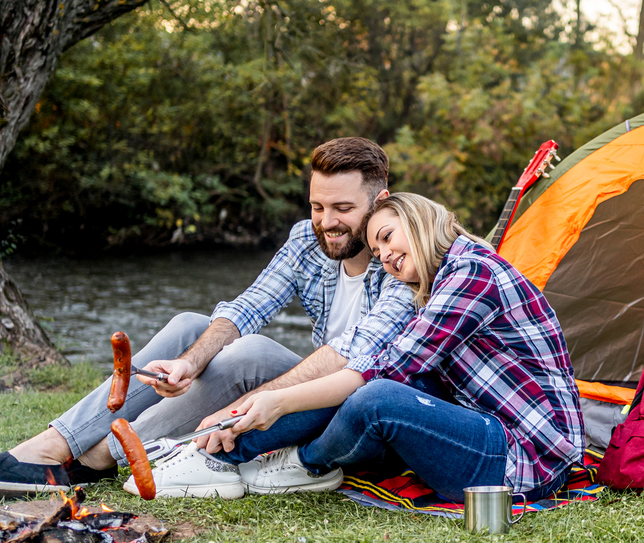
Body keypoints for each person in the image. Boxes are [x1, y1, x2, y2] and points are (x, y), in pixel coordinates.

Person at [0, 137, 414, 500]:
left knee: (253, 353)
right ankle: (51, 446)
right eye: (318, 205)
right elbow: (250, 305)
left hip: (361, 405)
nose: (327, 221)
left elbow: (353, 356)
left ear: (381, 201)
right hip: (319, 383)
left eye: (343, 208)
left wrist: (244, 405)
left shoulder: (402, 257)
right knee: (190, 325)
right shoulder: (308, 240)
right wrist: (191, 359)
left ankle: (95, 460)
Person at [167, 192, 584, 503]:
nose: (385, 256)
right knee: (362, 383)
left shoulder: (472, 272)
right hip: (483, 427)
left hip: (525, 459)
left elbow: (385, 372)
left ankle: (304, 462)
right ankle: (221, 455)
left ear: (419, 220)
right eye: (378, 251)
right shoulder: (440, 277)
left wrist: (276, 400)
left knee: (377, 396)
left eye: (387, 237)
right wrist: (276, 401)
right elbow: (386, 363)